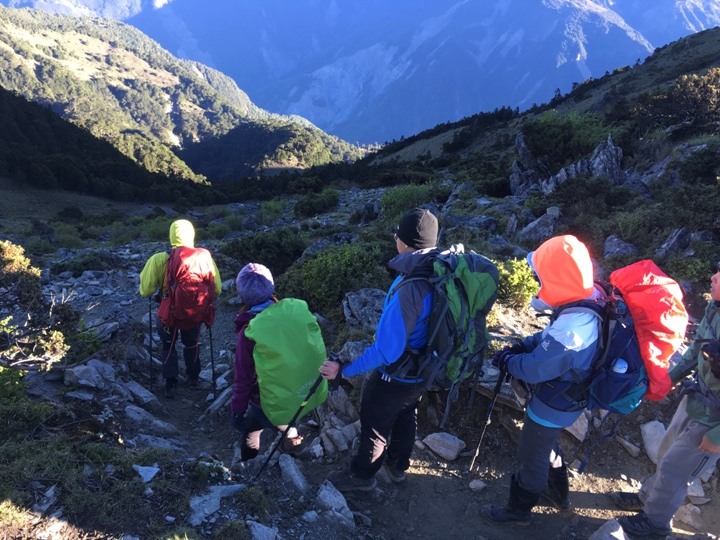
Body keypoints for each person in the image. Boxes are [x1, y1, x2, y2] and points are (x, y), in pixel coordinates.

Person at [482, 234, 602, 524]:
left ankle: (519, 510)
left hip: (555, 402)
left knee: (531, 454)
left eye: (543, 275)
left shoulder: (574, 329)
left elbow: (536, 368)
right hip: (568, 396)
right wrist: (525, 344)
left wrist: (511, 360)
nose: (538, 280)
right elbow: (550, 338)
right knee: (544, 444)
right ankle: (558, 494)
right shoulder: (589, 297)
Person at [319, 207, 439, 492]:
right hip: (424, 367)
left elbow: (386, 351)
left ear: (406, 242)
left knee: (375, 420)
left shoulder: (410, 289)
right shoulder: (437, 269)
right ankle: (397, 467)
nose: (395, 239)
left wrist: (344, 370)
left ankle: (362, 477)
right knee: (407, 411)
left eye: (397, 234)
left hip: (398, 372)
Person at [611, 263, 720, 537]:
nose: (713, 276)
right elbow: (697, 348)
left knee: (676, 468)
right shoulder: (715, 308)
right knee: (666, 452)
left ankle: (655, 525)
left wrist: (718, 436)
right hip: (697, 398)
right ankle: (648, 498)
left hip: (714, 420)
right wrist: (669, 378)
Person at [230, 263, 306, 461]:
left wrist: (237, 409)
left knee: (251, 430)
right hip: (296, 387)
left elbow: (243, 376)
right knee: (286, 419)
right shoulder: (289, 313)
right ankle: (293, 441)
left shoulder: (249, 330)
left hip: (265, 395)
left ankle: (248, 466)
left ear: (243, 295)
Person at [139, 219, 222, 398]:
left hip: (168, 313)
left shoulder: (160, 259)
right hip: (195, 313)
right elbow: (218, 288)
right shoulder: (204, 256)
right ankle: (194, 378)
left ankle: (171, 383)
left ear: (171, 235)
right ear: (191, 234)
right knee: (191, 344)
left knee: (168, 344)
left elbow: (145, 291)